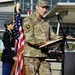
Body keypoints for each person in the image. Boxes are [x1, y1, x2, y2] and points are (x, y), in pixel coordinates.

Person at [23, 0, 61, 75]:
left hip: (43, 55)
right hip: (31, 56)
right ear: (36, 7)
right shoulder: (28, 20)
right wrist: (44, 42)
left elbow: (53, 35)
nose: (45, 10)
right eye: (42, 7)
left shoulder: (45, 22)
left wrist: (63, 38)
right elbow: (29, 38)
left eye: (46, 8)